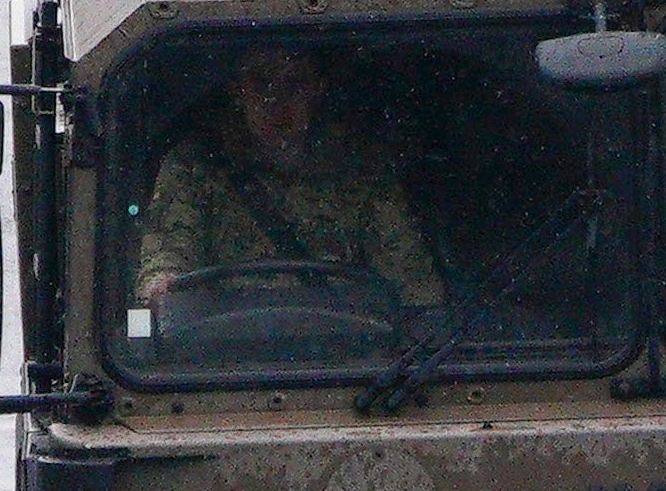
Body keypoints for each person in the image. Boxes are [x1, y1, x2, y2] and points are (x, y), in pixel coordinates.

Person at [134, 46, 444, 310]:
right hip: (224, 349)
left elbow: (411, 280)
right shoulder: (196, 165)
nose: (275, 101)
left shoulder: (361, 168)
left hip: (341, 351)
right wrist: (162, 285)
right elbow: (168, 250)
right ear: (237, 91)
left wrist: (420, 323)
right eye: (260, 83)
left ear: (317, 90)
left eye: (293, 84)